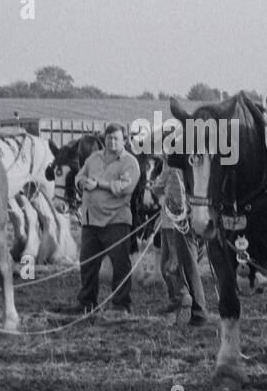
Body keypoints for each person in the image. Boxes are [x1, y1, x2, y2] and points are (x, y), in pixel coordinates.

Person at [75, 123, 140, 317]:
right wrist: (81, 182)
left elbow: (125, 187)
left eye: (116, 139)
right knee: (87, 263)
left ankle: (121, 305)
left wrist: (98, 184)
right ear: (104, 139)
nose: (112, 141)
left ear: (124, 140)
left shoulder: (130, 162)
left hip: (116, 221)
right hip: (90, 221)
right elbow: (79, 175)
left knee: (120, 264)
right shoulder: (93, 158)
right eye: (109, 138)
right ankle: (87, 303)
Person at [151, 156, 209, 325]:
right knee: (172, 265)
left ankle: (196, 309)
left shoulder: (177, 157)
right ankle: (181, 303)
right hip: (179, 217)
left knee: (182, 266)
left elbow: (166, 186)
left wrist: (157, 189)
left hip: (180, 218)